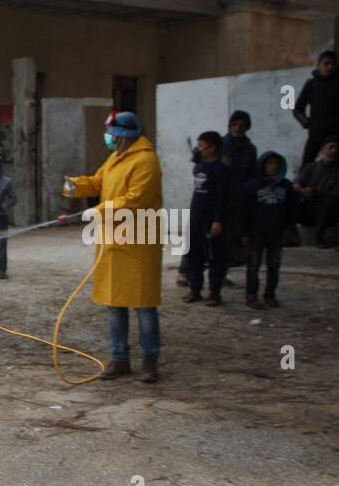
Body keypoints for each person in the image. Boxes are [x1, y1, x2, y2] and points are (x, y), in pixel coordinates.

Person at [62, 111, 164, 383]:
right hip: (113, 241)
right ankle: (119, 359)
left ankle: (149, 361)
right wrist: (75, 186)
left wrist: (97, 211)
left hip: (139, 241)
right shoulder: (116, 157)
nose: (108, 137)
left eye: (111, 132)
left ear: (124, 134)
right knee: (114, 301)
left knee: (144, 305)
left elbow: (134, 201)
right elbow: (99, 182)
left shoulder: (146, 161)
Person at [240, 151, 298, 310]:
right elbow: (244, 211)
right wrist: (244, 233)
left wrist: (290, 229)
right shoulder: (252, 186)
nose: (274, 167)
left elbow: (291, 210)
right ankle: (251, 296)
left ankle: (270, 295)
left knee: (274, 266)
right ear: (262, 165)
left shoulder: (285, 186)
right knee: (253, 266)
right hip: (256, 234)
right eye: (270, 163)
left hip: (276, 233)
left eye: (276, 163)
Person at [184, 131, 230, 306]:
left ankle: (214, 292)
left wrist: (218, 220)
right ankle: (195, 289)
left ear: (213, 148)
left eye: (202, 146)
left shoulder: (221, 170)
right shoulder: (199, 167)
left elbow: (222, 197)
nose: (199, 150)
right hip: (195, 216)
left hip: (210, 220)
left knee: (214, 257)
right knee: (193, 254)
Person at [220, 110, 257, 270]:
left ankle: (231, 258)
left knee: (236, 228)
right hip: (221, 194)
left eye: (242, 125)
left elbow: (252, 172)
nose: (238, 128)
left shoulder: (250, 148)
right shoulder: (220, 144)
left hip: (240, 194)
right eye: (235, 124)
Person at [293, 50, 338, 169]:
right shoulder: (312, 84)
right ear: (318, 65)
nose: (330, 67)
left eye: (333, 64)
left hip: (335, 135)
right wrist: (307, 122)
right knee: (307, 166)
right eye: (326, 63)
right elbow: (297, 109)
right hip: (315, 134)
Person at [294, 135, 339, 248]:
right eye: (331, 147)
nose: (334, 151)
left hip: (329, 214)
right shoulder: (311, 167)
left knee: (329, 201)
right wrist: (298, 187)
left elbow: (335, 195)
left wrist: (315, 192)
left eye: (337, 148)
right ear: (323, 149)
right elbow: (298, 183)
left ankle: (317, 238)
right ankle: (289, 235)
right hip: (308, 210)